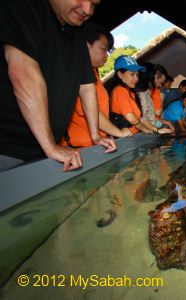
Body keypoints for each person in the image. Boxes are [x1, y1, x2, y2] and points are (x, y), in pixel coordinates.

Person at [0, 0, 116, 172]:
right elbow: (23, 72)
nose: (87, 10)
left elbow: (86, 87)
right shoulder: (24, 7)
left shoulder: (77, 31)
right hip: (8, 148)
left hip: (44, 150)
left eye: (94, 4)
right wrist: (50, 146)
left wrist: (96, 136)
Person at [61, 23, 133, 148]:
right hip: (79, 147)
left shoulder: (93, 73)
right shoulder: (74, 71)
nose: (107, 55)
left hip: (96, 143)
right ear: (86, 45)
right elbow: (88, 109)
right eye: (103, 49)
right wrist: (118, 133)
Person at [110, 55, 170, 135]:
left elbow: (141, 118)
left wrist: (155, 130)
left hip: (135, 134)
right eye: (132, 74)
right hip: (128, 137)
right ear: (120, 75)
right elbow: (131, 118)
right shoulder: (119, 90)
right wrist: (147, 130)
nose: (136, 78)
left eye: (137, 75)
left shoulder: (130, 92)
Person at [134, 62, 175, 133]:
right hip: (142, 131)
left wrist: (165, 123)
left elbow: (151, 115)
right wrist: (157, 130)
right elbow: (142, 118)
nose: (160, 86)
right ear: (154, 76)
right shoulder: (141, 93)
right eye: (160, 82)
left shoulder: (147, 91)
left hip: (149, 128)